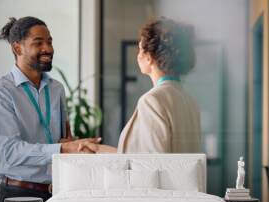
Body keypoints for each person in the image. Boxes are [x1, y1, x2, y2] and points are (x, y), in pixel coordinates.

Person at [0, 16, 100, 202]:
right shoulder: (1, 92)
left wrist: (70, 144)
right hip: (20, 196)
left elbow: (63, 138)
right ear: (17, 47)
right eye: (38, 43)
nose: (48, 48)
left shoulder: (56, 89)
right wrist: (63, 148)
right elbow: (10, 152)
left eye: (50, 41)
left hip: (57, 193)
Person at [82, 17, 201, 154]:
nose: (138, 56)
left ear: (149, 56)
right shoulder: (189, 100)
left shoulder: (152, 101)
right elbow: (150, 157)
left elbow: (150, 165)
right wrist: (98, 149)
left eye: (140, 49)